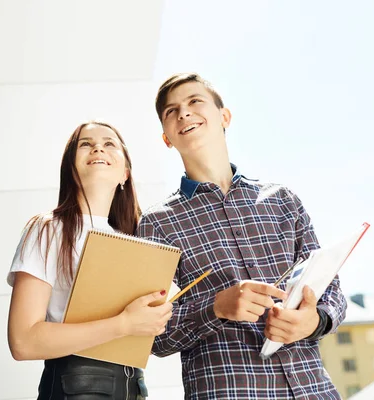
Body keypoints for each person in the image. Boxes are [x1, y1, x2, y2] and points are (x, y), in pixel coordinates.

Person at [137, 73, 347, 399]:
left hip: (312, 389)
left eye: (195, 101)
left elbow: (331, 290)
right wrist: (216, 307)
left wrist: (314, 321)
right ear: (167, 137)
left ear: (224, 117)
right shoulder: (156, 224)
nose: (184, 113)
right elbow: (150, 334)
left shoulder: (283, 200)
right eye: (171, 111)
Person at [7, 121, 172, 399]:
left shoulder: (140, 241)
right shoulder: (47, 229)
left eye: (110, 144)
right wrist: (123, 324)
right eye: (85, 143)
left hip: (134, 387)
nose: (98, 147)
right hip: (77, 388)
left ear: (125, 174)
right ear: (71, 169)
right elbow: (23, 341)